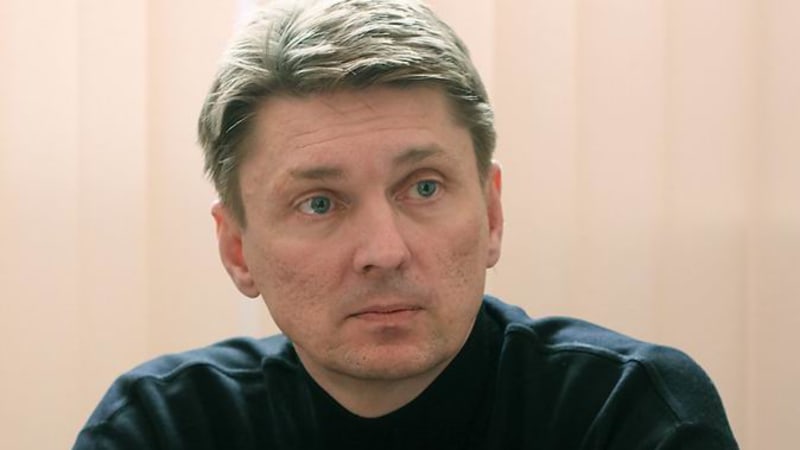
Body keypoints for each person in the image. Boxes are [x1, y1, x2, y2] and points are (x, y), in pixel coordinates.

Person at [74, 0, 738, 448]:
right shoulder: (162, 427)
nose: (385, 251)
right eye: (319, 203)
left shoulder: (627, 413)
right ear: (238, 249)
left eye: (423, 187)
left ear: (492, 213)